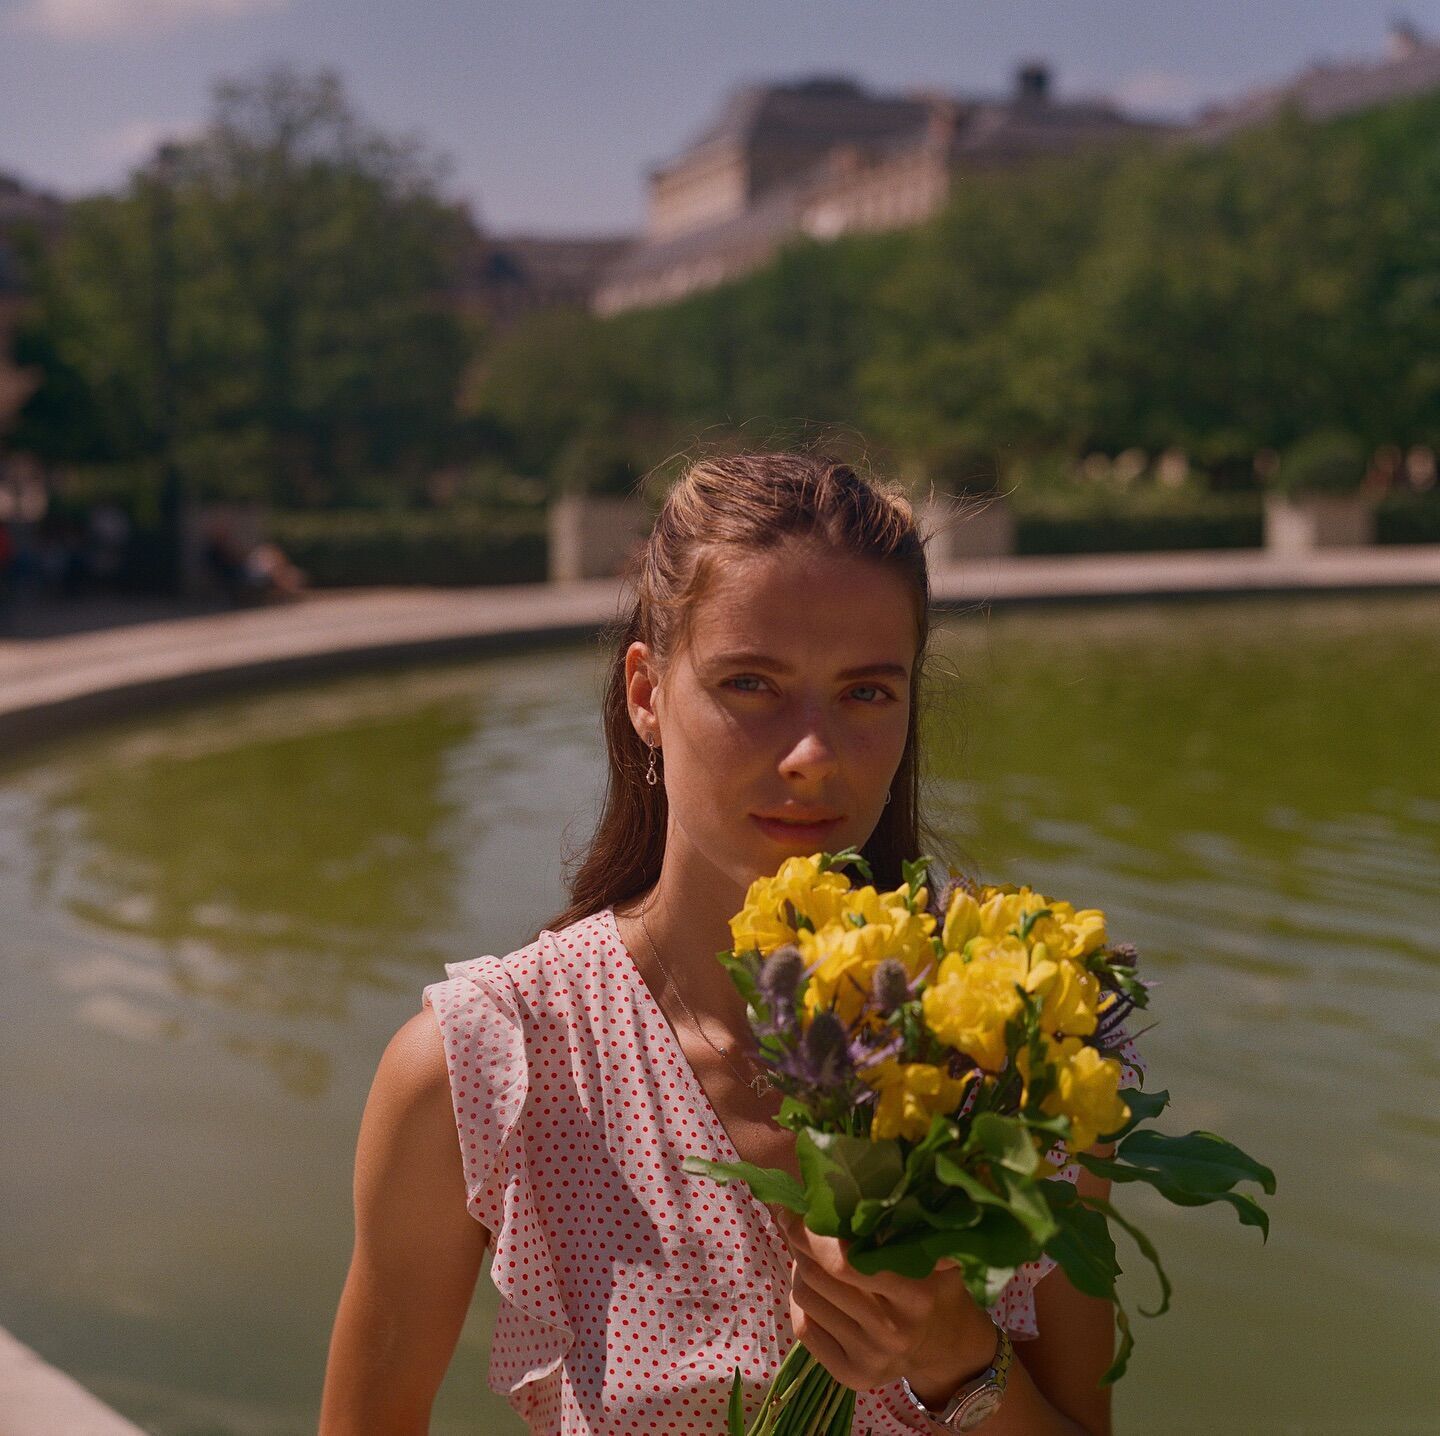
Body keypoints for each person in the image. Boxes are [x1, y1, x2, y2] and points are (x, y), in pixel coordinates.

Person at [319, 452, 1140, 1435]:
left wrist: (957, 1361)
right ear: (645, 693)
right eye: (751, 683)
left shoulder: (1024, 1053)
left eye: (867, 692)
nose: (813, 753)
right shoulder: (490, 1070)